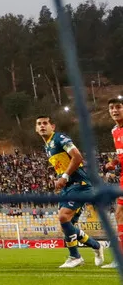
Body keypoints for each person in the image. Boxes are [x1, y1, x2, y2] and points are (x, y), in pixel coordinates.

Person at [35, 115, 104, 268]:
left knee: (63, 216)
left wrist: (64, 176)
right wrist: (59, 179)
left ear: (53, 126)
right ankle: (96, 246)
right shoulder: (47, 146)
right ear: (36, 128)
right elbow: (63, 165)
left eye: (45, 123)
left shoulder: (60, 138)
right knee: (67, 226)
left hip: (80, 184)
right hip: (68, 187)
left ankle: (75, 257)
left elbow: (77, 157)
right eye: (39, 124)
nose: (42, 126)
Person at [103, 96, 123, 268]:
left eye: (118, 107)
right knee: (119, 214)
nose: (115, 110)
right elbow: (120, 153)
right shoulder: (114, 131)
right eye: (112, 108)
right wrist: (114, 163)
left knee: (119, 214)